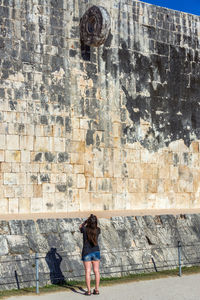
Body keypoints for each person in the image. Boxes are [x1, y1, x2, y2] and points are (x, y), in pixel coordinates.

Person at [79, 214, 101, 296]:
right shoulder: (98, 230)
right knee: (96, 271)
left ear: (88, 221)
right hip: (96, 251)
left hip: (86, 252)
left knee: (87, 271)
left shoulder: (84, 229)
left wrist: (85, 222)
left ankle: (88, 291)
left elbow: (80, 227)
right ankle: (96, 289)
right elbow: (95, 227)